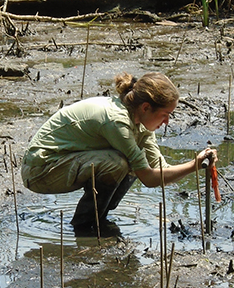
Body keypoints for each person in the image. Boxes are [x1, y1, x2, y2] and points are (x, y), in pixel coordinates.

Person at [21, 71, 217, 233]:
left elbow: (160, 171)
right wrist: (194, 166)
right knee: (117, 163)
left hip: (64, 163)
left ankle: (100, 220)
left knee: (132, 163)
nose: (167, 122)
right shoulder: (117, 121)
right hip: (40, 170)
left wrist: (198, 165)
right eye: (165, 115)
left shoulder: (141, 124)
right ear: (146, 107)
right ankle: (83, 227)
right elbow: (149, 178)